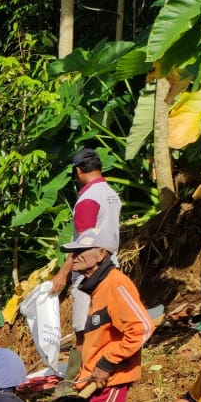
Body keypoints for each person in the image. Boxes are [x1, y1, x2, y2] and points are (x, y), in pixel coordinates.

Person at [65, 229, 151, 402]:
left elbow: (141, 327)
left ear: (102, 253)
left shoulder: (115, 284)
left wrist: (107, 362)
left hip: (110, 380)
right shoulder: (98, 288)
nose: (75, 257)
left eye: (82, 251)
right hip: (93, 379)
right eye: (73, 253)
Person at [52, 147, 123, 359]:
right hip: (110, 263)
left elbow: (82, 243)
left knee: (83, 328)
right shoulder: (111, 194)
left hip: (89, 270)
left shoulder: (88, 199)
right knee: (105, 321)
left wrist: (63, 273)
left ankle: (80, 372)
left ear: (78, 171)